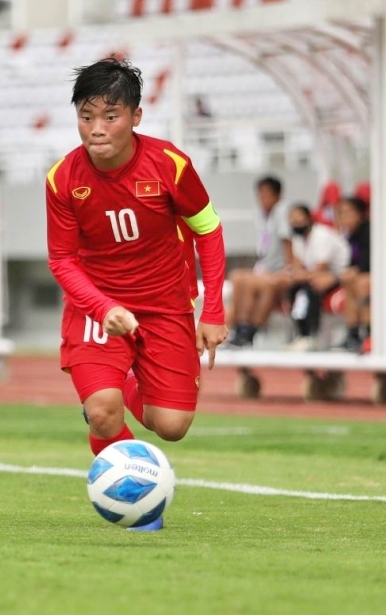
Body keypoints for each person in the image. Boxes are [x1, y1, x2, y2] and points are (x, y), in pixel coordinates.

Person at [45, 58, 227, 532]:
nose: (96, 129)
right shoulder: (63, 178)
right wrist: (104, 307)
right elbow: (62, 261)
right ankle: (136, 500)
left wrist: (213, 308)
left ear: (136, 117)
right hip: (97, 307)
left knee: (171, 427)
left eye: (110, 116)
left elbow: (207, 231)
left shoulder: (170, 165)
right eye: (86, 117)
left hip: (166, 306)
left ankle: (118, 381)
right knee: (104, 412)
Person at [227, 176, 293, 347]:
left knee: (252, 283)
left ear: (277, 195)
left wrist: (289, 270)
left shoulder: (282, 212)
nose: (261, 199)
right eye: (260, 194)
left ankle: (249, 330)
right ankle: (239, 326)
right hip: (266, 267)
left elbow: (289, 245)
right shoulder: (265, 215)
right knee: (237, 277)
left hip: (279, 270)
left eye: (266, 194)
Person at [283, 204, 350, 352]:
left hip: (339, 276)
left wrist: (297, 276)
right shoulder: (298, 238)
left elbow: (320, 269)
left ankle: (312, 335)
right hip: (316, 276)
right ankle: (302, 335)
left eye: (299, 219)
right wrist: (293, 276)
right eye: (292, 221)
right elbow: (298, 266)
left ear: (309, 219)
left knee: (313, 287)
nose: (296, 224)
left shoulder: (322, 236)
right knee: (293, 287)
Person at [335, 197, 372, 352]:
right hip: (362, 276)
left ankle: (370, 335)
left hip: (381, 276)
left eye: (348, 213)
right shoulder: (351, 237)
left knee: (360, 283)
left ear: (360, 214)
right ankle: (353, 335)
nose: (344, 218)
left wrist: (335, 278)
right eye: (341, 214)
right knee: (350, 282)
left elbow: (367, 264)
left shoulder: (368, 231)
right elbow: (352, 264)